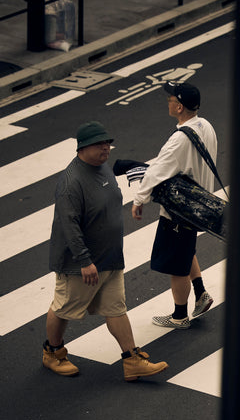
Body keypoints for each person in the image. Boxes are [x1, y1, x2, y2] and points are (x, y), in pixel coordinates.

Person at [43, 120, 168, 381]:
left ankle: (132, 360)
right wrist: (84, 260)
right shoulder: (71, 183)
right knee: (64, 307)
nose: (106, 148)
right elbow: (69, 226)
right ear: (83, 148)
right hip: (83, 264)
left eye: (108, 143)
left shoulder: (102, 169)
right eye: (100, 144)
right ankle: (53, 353)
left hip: (110, 258)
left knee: (116, 308)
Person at [132, 81, 216, 329]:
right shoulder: (206, 126)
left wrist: (139, 200)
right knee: (185, 249)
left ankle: (180, 316)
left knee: (176, 266)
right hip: (198, 201)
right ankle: (200, 293)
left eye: (170, 99)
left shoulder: (179, 139)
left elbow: (157, 170)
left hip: (180, 208)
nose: (167, 101)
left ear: (179, 107)